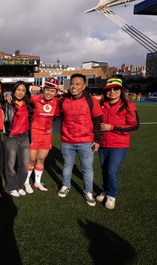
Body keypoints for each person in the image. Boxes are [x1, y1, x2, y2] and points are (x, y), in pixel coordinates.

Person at [57, 73, 103, 207]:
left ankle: (88, 191)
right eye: (72, 84)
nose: (74, 86)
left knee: (87, 169)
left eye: (78, 84)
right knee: (67, 166)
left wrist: (98, 140)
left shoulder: (91, 101)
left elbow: (98, 120)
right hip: (67, 141)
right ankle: (66, 185)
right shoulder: (63, 100)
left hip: (86, 142)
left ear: (84, 86)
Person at [97, 77, 140, 210]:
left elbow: (135, 126)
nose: (112, 92)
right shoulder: (101, 105)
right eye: (109, 89)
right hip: (103, 144)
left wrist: (113, 127)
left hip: (119, 145)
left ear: (121, 91)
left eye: (116, 89)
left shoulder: (129, 106)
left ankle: (112, 195)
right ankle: (105, 190)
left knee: (111, 170)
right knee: (104, 170)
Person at [24, 78, 60, 193]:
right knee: (31, 159)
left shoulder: (57, 102)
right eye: (47, 89)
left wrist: (63, 90)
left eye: (52, 90)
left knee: (41, 159)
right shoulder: (34, 99)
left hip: (47, 135)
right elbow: (20, 99)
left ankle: (37, 182)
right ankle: (26, 182)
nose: (49, 93)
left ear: (56, 92)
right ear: (43, 90)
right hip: (34, 133)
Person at [3, 81, 33, 197]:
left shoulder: (29, 104)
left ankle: (20, 185)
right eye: (18, 90)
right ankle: (11, 186)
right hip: (11, 137)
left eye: (23, 90)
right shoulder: (7, 103)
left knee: (24, 165)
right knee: (10, 164)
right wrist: (6, 97)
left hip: (25, 137)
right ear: (14, 91)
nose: (20, 93)